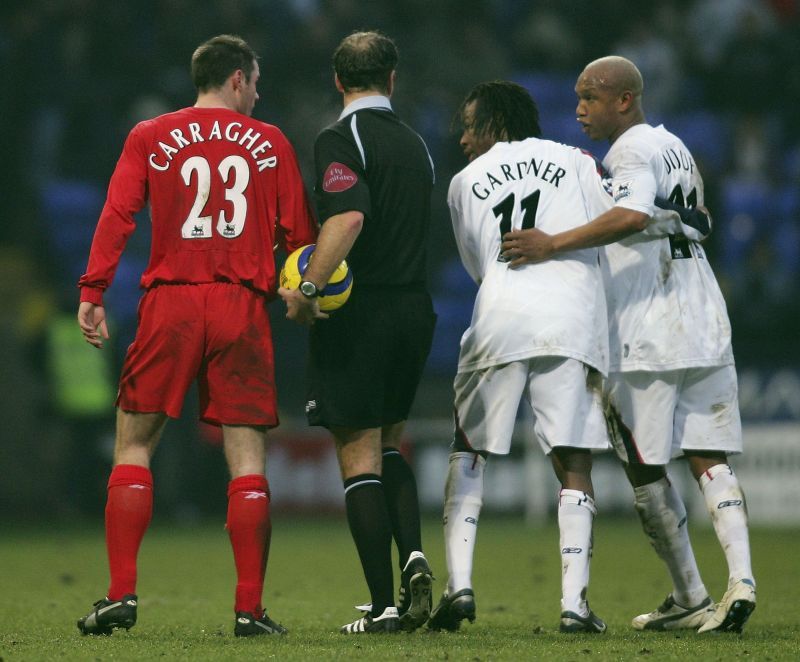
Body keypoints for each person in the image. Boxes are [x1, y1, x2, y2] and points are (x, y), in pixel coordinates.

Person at [502, 56, 756, 633]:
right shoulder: (675, 147)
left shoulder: (633, 150)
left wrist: (551, 244)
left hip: (650, 327)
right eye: (577, 97)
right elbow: (697, 217)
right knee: (708, 457)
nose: (579, 109)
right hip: (705, 319)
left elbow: (631, 214)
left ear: (624, 99)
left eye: (590, 97)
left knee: (642, 467)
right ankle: (741, 580)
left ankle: (690, 591)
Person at [75, 34, 318, 637]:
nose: (258, 95)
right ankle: (249, 609)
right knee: (246, 457)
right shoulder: (271, 142)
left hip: (171, 303)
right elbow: (300, 234)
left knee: (133, 445)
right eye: (255, 83)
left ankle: (120, 595)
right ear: (237, 79)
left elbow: (117, 213)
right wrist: (302, 292)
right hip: (241, 304)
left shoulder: (149, 135)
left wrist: (93, 289)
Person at [427, 80, 613, 635]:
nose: (462, 138)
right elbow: (610, 224)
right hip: (571, 315)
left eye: (469, 124)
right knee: (572, 458)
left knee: (469, 448)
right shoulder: (576, 160)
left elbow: (480, 263)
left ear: (494, 125)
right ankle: (574, 605)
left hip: (502, 310)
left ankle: (458, 585)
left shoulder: (463, 183)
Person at [279, 30, 436, 635]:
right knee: (391, 443)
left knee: (358, 457)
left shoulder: (343, 137)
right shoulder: (416, 142)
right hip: (413, 311)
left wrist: (309, 288)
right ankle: (416, 558)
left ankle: (383, 607)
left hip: (362, 313)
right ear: (391, 79)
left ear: (338, 80)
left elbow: (347, 216)